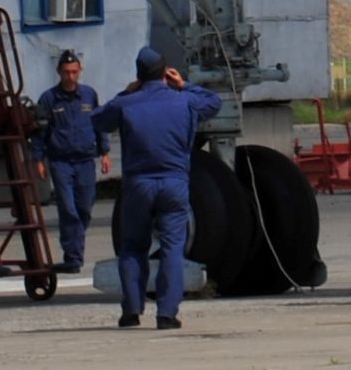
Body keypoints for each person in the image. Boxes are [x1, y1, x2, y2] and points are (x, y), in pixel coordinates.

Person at [90, 47, 222, 331]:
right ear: (165, 73)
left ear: (138, 75)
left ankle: (132, 310)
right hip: (174, 183)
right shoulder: (184, 101)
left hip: (138, 184)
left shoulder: (128, 103)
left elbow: (98, 119)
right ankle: (167, 313)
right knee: (173, 248)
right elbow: (214, 102)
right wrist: (184, 84)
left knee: (133, 247)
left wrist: (126, 93)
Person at [31, 49, 112, 273]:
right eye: (66, 72)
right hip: (61, 162)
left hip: (86, 160)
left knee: (84, 208)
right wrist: (38, 158)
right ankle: (73, 257)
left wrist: (104, 152)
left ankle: (75, 245)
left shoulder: (89, 95)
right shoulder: (48, 99)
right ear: (59, 72)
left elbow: (99, 124)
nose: (70, 77)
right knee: (68, 209)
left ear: (80, 71)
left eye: (74, 72)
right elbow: (40, 132)